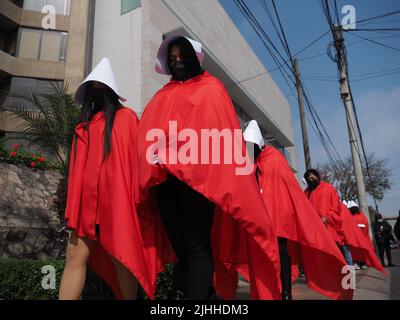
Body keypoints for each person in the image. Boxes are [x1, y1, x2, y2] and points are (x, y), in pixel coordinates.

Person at [135, 35, 281, 300]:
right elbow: (149, 134)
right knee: (179, 243)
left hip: (200, 183)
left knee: (196, 243)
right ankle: (206, 297)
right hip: (167, 182)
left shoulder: (212, 88)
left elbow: (221, 137)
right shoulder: (163, 95)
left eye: (182, 55)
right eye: (172, 57)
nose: (177, 61)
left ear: (193, 57)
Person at [59, 58, 157, 300]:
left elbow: (139, 162)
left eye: (100, 86)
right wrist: (73, 208)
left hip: (116, 205)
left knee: (122, 259)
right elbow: (76, 173)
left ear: (110, 91)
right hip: (85, 208)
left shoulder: (127, 120)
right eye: (91, 87)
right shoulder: (83, 128)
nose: (95, 92)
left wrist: (138, 198)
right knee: (74, 258)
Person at [243, 120, 352, 300]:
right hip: (259, 218)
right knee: (262, 255)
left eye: (251, 145)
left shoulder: (275, 158)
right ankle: (268, 290)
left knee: (282, 252)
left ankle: (286, 292)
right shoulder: (250, 162)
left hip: (279, 218)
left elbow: (287, 189)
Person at [304, 169, 353, 266]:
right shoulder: (306, 192)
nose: (311, 180)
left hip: (329, 227)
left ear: (317, 177)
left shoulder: (328, 188)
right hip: (315, 231)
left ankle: (345, 276)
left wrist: (327, 217)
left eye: (312, 177)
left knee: (336, 256)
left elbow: (336, 207)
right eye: (308, 178)